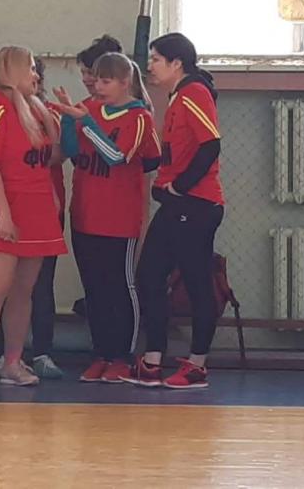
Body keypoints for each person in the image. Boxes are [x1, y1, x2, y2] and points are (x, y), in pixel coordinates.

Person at [0, 46, 66, 393]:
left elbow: (47, 160)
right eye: (31, 69)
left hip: (36, 209)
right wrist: (4, 213)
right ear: (15, 70)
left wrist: (50, 196)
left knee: (24, 291)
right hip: (4, 208)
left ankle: (12, 362)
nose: (36, 75)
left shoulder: (37, 110)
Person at [51, 52, 160, 383]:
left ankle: (123, 355)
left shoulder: (139, 116)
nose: (97, 86)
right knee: (94, 288)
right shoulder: (87, 108)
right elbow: (72, 152)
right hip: (85, 215)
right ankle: (101, 353)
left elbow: (115, 156)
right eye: (95, 79)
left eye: (105, 80)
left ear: (125, 82)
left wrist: (85, 122)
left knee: (120, 287)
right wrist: (68, 121)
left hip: (119, 220)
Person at [124, 33, 225, 390]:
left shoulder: (194, 92)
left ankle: (197, 364)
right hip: (177, 203)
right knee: (150, 275)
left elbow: (210, 144)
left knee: (196, 282)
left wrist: (181, 186)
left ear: (176, 63)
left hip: (195, 204)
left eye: (155, 59)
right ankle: (153, 360)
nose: (150, 66)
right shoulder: (177, 96)